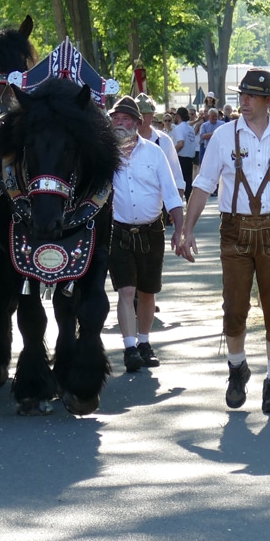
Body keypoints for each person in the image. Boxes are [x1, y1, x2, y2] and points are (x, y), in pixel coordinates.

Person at [177, 69, 270, 414]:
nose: (243, 101)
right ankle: (236, 368)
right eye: (241, 95)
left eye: (251, 96)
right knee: (234, 308)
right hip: (235, 231)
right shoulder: (223, 137)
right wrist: (185, 229)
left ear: (268, 101)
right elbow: (203, 186)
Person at [106, 97, 185, 371]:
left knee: (147, 291)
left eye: (125, 119)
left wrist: (181, 230)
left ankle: (144, 342)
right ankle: (129, 348)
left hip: (152, 231)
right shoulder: (104, 155)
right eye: (115, 119)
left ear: (137, 123)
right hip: (117, 231)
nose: (119, 124)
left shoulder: (154, 153)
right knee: (126, 290)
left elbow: (172, 194)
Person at [135, 93, 184, 196]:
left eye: (145, 114)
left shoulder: (164, 140)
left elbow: (176, 175)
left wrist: (178, 202)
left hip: (160, 202)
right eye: (138, 114)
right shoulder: (124, 141)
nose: (141, 118)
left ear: (152, 115)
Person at [171, 107, 199, 193]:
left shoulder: (178, 128)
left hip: (181, 158)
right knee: (188, 183)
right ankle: (189, 202)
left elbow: (180, 143)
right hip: (190, 158)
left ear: (178, 116)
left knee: (179, 182)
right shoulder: (190, 128)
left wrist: (172, 154)